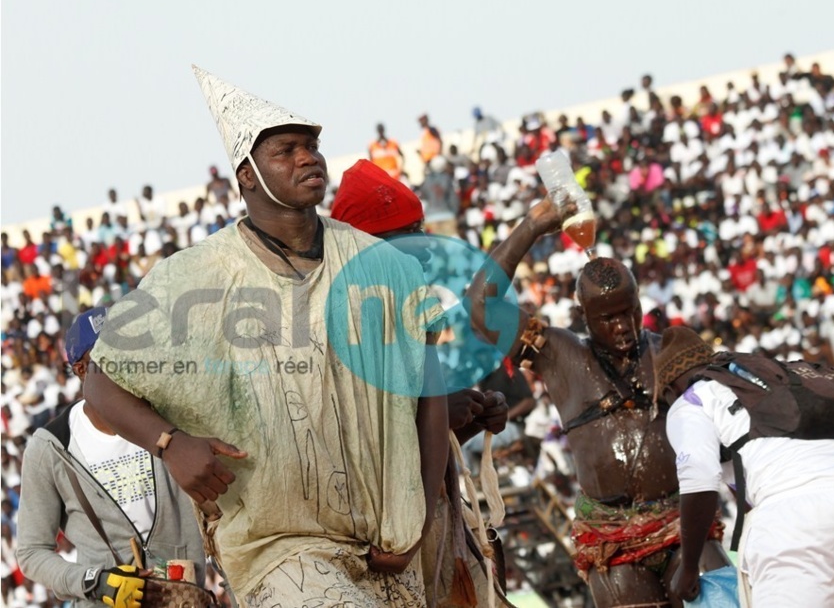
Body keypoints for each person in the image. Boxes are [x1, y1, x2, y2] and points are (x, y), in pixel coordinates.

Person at [83, 67, 449, 607]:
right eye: (287, 150)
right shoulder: (196, 275)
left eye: (312, 146)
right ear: (247, 176)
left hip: (388, 545)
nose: (309, 158)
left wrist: (418, 516)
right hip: (278, 549)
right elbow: (99, 383)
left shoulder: (380, 264)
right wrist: (170, 443)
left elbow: (428, 392)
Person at [467, 198, 727, 608]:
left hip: (684, 522)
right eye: (608, 318)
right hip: (612, 539)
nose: (623, 327)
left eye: (630, 312)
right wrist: (532, 226)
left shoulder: (669, 352)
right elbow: (480, 305)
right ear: (584, 315)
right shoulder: (559, 355)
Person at [331, 158, 510, 606]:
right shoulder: (339, 326)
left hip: (431, 533)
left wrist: (468, 420)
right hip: (379, 545)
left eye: (421, 229)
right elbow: (352, 452)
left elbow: (421, 444)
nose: (427, 247)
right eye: (409, 235)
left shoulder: (407, 315)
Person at [656, 326, 834, 607]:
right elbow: (749, 496)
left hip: (798, 514)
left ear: (670, 391)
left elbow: (699, 482)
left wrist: (690, 567)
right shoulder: (761, 385)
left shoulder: (690, 401)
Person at [16, 307, 207, 606]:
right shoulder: (52, 447)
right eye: (108, 355)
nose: (125, 361)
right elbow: (31, 552)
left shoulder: (173, 419)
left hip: (185, 598)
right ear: (81, 370)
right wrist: (94, 581)